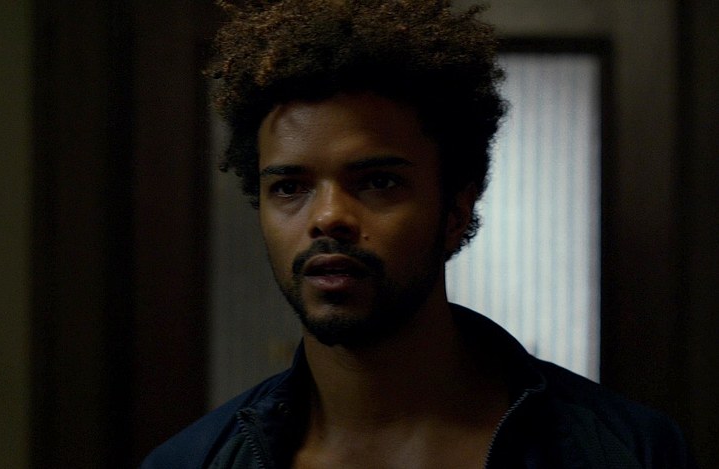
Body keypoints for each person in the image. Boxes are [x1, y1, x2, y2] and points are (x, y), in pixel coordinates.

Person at [142, 1, 694, 467]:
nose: (328, 217)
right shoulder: (193, 461)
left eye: (378, 182)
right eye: (290, 187)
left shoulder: (626, 450)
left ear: (455, 209)